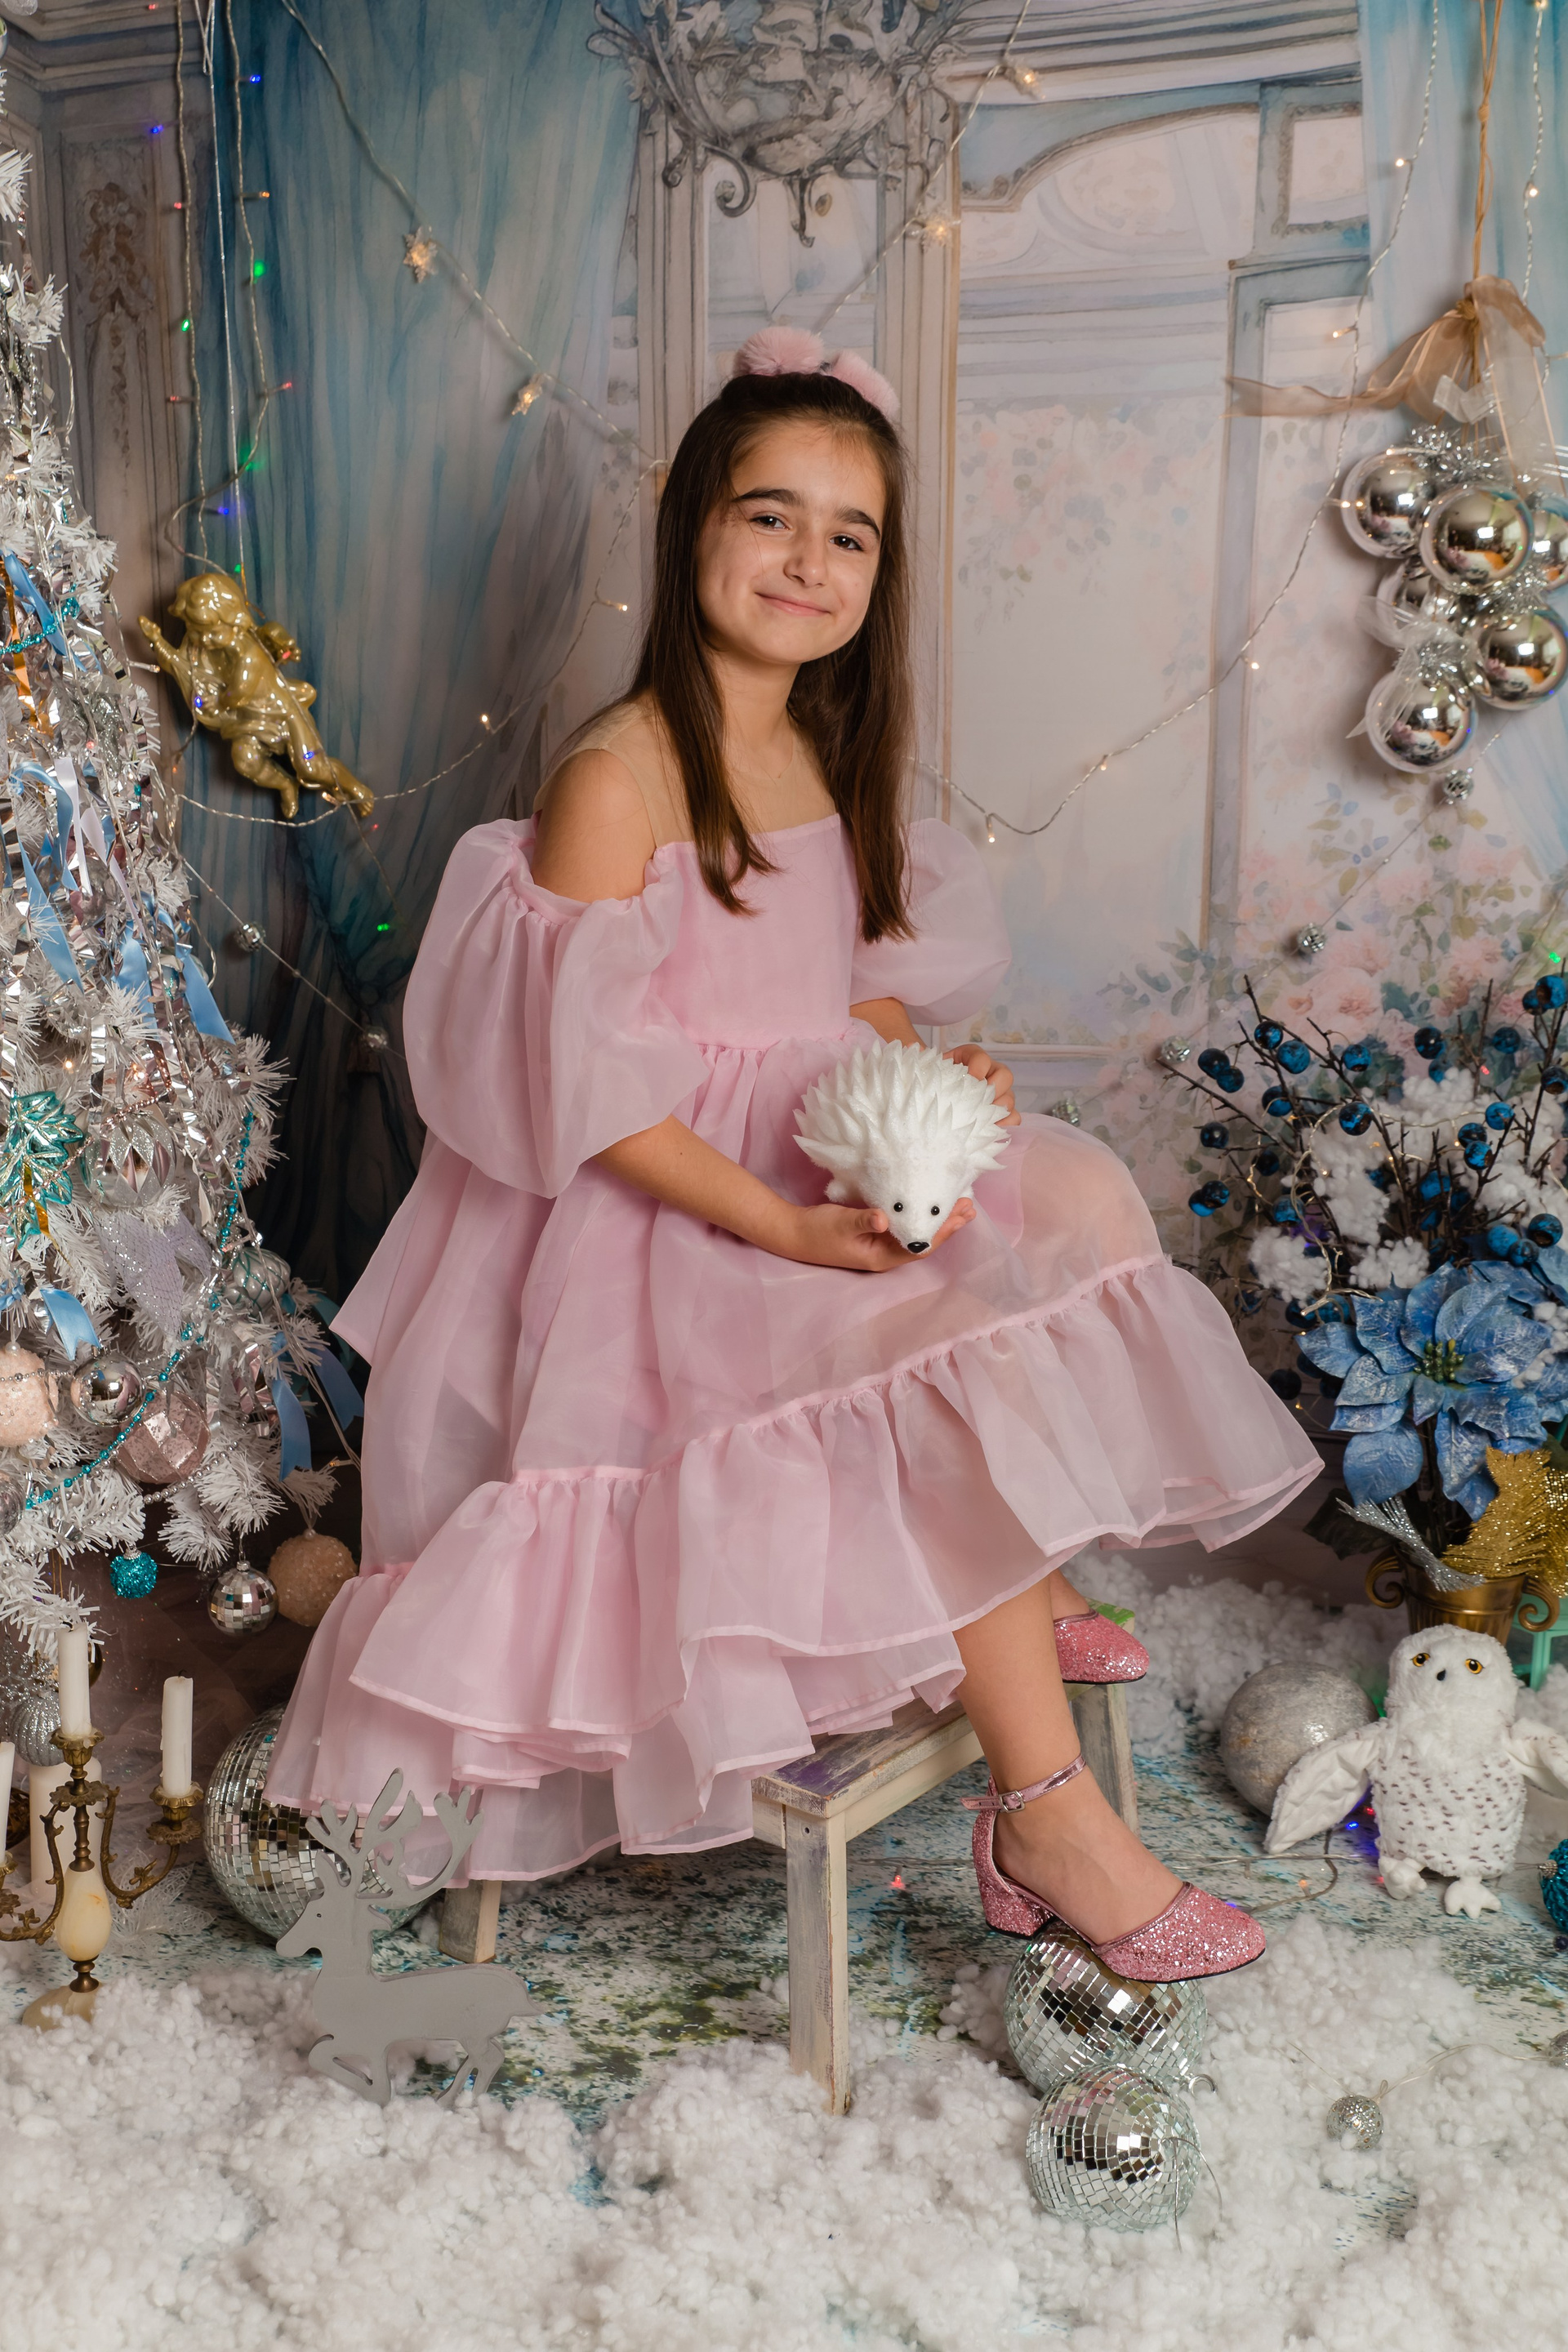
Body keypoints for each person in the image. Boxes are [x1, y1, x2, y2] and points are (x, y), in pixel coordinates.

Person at [268, 327, 1319, 1982]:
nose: (807, 562)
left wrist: (925, 1073)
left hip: (802, 1148)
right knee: (917, 1345)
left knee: (1070, 1195)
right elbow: (597, 1096)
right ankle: (1047, 1816)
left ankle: (1019, 1585)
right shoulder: (618, 780)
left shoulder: (816, 746)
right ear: (693, 522)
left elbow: (831, 993)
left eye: (849, 535)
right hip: (672, 1207)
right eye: (770, 517)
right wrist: (778, 1224)